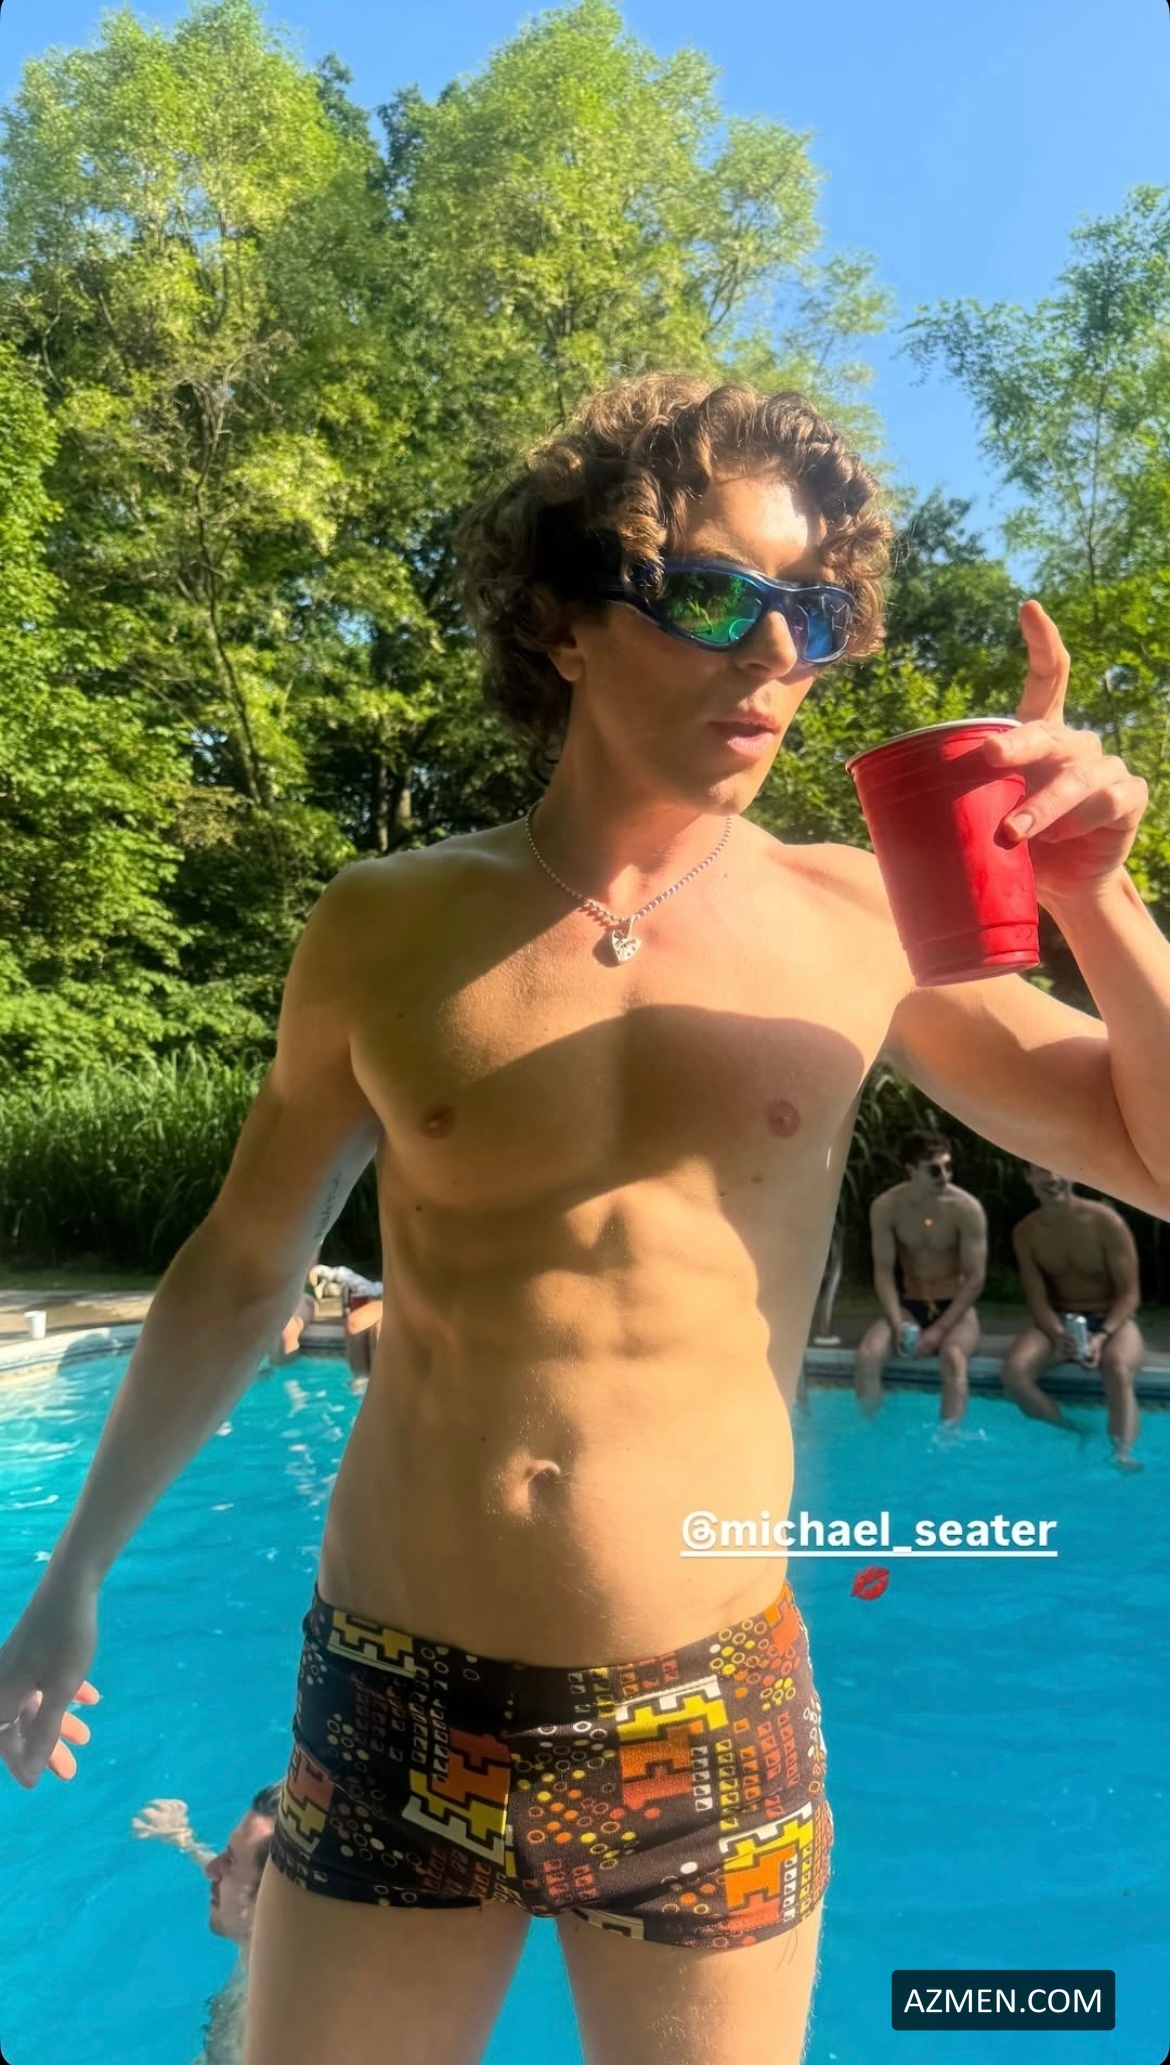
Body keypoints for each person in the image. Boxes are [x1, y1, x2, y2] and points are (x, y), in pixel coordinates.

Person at [3, 372, 1170, 2065]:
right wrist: (75, 1570)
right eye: (712, 597)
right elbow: (244, 1267)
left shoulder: (856, 922)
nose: (772, 656)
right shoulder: (389, 925)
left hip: (705, 1707)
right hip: (398, 1688)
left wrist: (1095, 897)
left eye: (813, 613)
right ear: (558, 621)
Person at [1001, 1163, 1144, 1465]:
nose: (1052, 1178)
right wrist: (1057, 1334)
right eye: (1042, 1170)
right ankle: (1072, 1430)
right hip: (1060, 1320)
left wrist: (1101, 1336)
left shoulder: (1105, 1222)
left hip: (1112, 1320)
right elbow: (1037, 1299)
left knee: (1118, 1369)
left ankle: (1122, 1454)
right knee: (1014, 1373)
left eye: (1059, 1168)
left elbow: (1129, 1295)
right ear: (1028, 1176)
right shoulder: (1026, 1232)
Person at [132, 1784, 281, 2063]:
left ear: (269, 1900)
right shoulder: (265, 1939)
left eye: (230, 1862)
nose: (212, 1869)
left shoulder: (261, 2029)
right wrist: (183, 1839)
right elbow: (241, 1884)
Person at [852, 1131, 988, 1421]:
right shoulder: (887, 1207)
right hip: (910, 1305)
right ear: (911, 1170)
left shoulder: (966, 1209)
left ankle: (948, 1440)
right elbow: (883, 1272)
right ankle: (870, 1431)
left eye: (948, 1167)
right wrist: (897, 1322)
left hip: (955, 1309)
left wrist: (939, 1330)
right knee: (867, 1356)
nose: (944, 1177)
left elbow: (975, 1278)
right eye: (934, 1170)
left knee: (953, 1359)